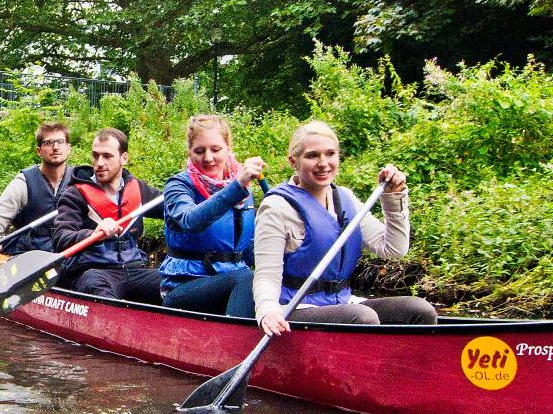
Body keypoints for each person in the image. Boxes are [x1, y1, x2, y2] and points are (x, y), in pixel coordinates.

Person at [245, 120, 438, 332]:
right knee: (363, 318)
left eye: (330, 154)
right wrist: (267, 311)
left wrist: (393, 197)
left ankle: (403, 365)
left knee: (420, 310)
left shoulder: (345, 198)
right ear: (293, 161)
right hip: (294, 307)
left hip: (343, 303)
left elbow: (393, 248)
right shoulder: (276, 207)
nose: (323, 163)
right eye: (312, 155)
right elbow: (266, 274)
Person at [160, 114, 263, 315]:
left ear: (228, 149)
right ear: (189, 152)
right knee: (247, 278)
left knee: (263, 278)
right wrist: (237, 186)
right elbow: (191, 221)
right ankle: (236, 343)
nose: (208, 158)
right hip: (184, 288)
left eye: (216, 150)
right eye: (199, 151)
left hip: (232, 282)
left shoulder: (242, 190)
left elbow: (249, 251)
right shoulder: (177, 186)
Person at [51, 128, 164, 302]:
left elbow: (176, 211)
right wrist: (94, 234)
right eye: (96, 156)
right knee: (94, 284)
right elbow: (61, 239)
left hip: (135, 270)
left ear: (124, 158)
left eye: (107, 156)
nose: (99, 163)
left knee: (170, 284)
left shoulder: (139, 190)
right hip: (96, 272)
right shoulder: (74, 194)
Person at [0, 121, 72, 254]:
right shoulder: (23, 183)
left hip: (67, 256)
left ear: (68, 148)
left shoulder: (78, 182)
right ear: (39, 151)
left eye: (60, 142)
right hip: (28, 258)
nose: (55, 147)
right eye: (48, 143)